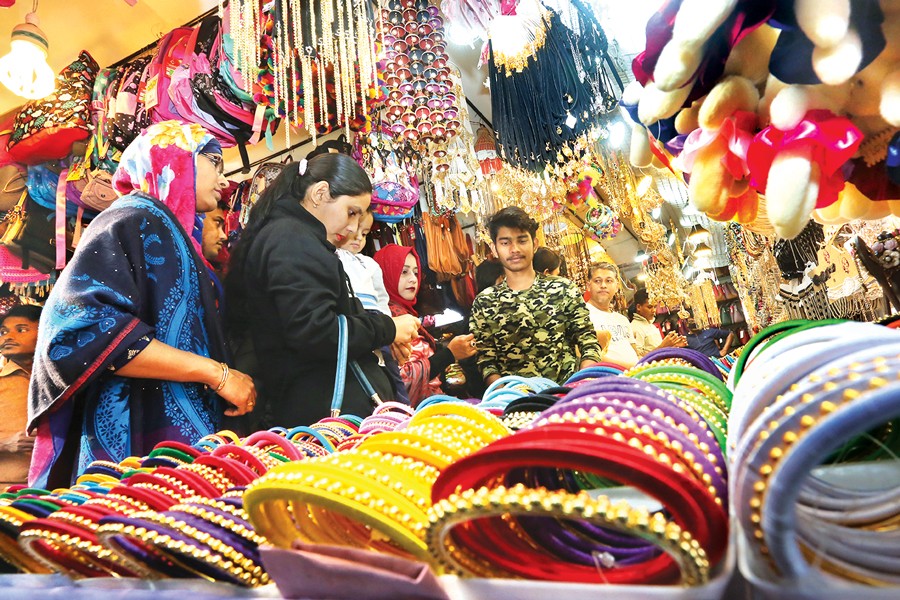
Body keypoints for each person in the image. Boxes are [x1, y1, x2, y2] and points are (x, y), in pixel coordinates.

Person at [28, 121, 256, 489]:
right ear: (177, 159)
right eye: (214, 161)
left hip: (179, 435)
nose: (224, 179)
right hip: (139, 438)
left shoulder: (176, 234)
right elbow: (81, 328)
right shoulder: (132, 219)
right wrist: (217, 375)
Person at [226, 153, 419, 428]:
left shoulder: (292, 236)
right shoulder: (292, 238)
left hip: (315, 411)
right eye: (351, 212)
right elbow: (315, 331)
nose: (353, 228)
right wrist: (386, 329)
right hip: (325, 418)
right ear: (320, 193)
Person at [469, 207, 602, 384]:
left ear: (535, 243)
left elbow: (588, 341)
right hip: (514, 403)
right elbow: (486, 360)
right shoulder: (485, 302)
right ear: (494, 249)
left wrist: (581, 383)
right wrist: (503, 392)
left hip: (566, 396)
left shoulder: (563, 289)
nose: (514, 249)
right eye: (505, 243)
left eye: (522, 240)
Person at [374, 244, 477, 406]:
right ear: (385, 274)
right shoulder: (388, 321)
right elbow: (402, 378)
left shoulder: (403, 313)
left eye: (416, 272)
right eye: (404, 272)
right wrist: (448, 354)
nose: (413, 279)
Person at [336, 211, 409, 405]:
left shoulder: (370, 264)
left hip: (377, 319)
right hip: (354, 318)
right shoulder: (332, 258)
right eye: (354, 231)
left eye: (365, 233)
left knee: (390, 368)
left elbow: (381, 298)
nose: (359, 238)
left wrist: (389, 326)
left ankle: (401, 406)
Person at [0, 305, 40, 488]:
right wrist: (5, 444)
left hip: (56, 488)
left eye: (21, 330)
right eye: (3, 332)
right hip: (6, 489)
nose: (8, 337)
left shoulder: (60, 383)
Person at [585, 262, 640, 368]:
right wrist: (631, 367)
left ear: (616, 286)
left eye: (609, 281)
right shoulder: (582, 316)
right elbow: (590, 357)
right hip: (609, 380)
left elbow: (635, 352)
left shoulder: (622, 319)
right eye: (597, 281)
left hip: (635, 377)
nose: (603, 285)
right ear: (588, 286)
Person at [630, 289, 686, 357]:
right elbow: (638, 358)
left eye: (655, 306)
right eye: (650, 307)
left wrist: (673, 345)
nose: (654, 310)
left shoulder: (652, 326)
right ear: (638, 307)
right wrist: (663, 346)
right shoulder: (635, 328)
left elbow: (657, 351)